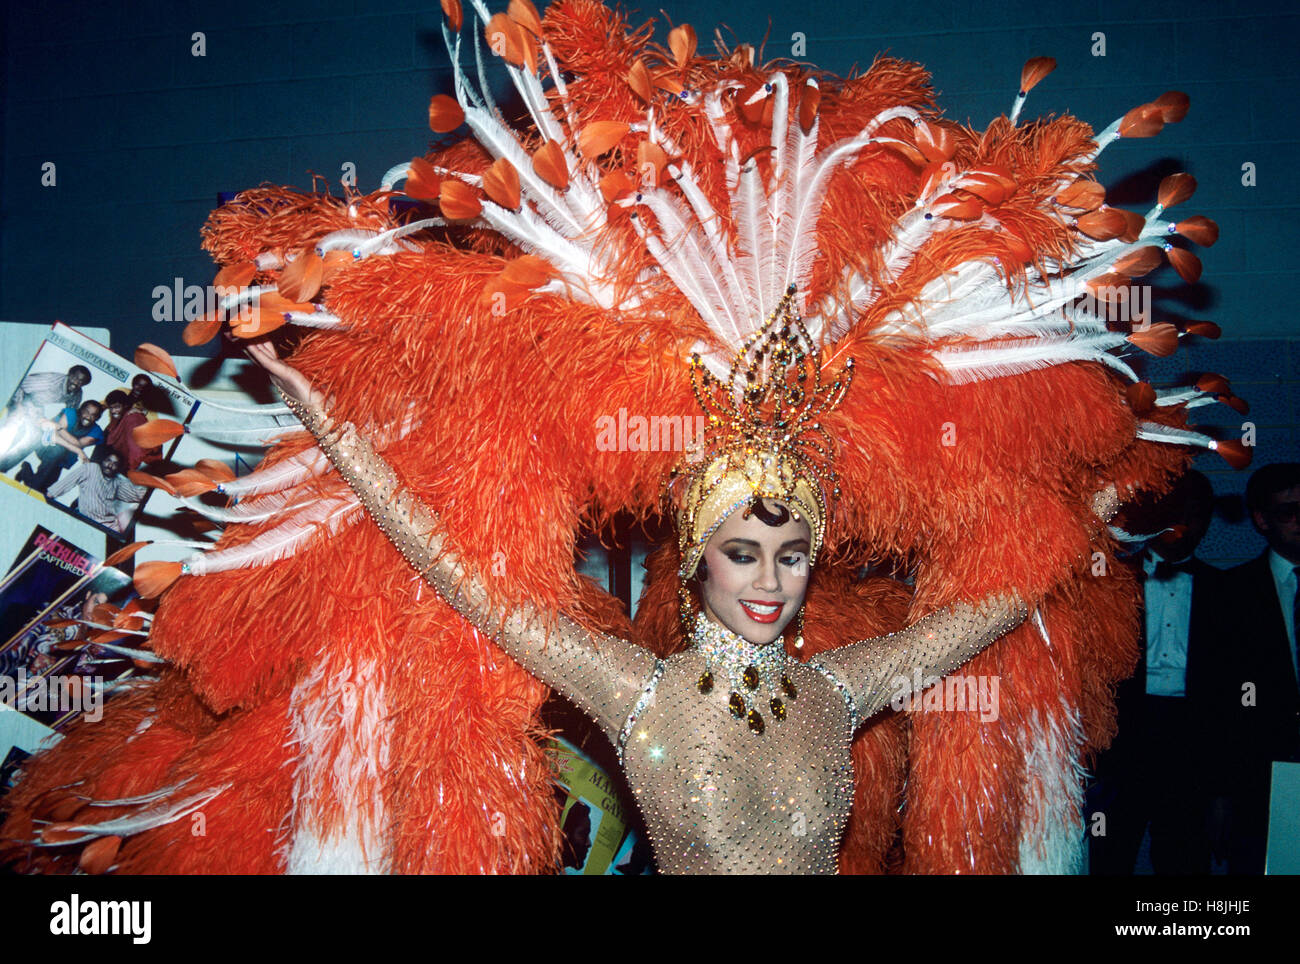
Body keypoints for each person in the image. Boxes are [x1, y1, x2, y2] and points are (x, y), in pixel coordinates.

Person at [0, 0, 1234, 876]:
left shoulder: (841, 684)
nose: (769, 578)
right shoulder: (633, 692)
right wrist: (341, 434)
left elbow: (983, 612)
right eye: (745, 553)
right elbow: (456, 574)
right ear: (698, 555)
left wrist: (1083, 501)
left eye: (789, 554)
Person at [1088, 470, 1221, 874]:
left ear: (1208, 520)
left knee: (1184, 856)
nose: (1181, 524)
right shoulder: (1109, 583)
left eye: (1194, 514)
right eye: (1171, 511)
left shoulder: (1226, 590)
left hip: (1192, 742)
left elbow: (1232, 692)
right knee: (1110, 854)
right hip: (1124, 738)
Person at [1202, 463, 1300, 873]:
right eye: (1287, 513)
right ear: (1261, 519)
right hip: (1260, 777)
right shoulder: (1232, 593)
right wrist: (1221, 792)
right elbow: (1217, 701)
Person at [0, 365, 92, 473]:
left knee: (38, 438)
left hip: (37, 411)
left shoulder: (77, 394)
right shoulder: (52, 380)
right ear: (69, 374)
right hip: (20, 398)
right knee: (17, 425)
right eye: (75, 378)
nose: (77, 383)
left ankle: (3, 468)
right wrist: (18, 406)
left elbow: (69, 413)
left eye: (81, 382)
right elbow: (20, 384)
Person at [45, 448, 147, 534]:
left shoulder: (117, 482)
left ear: (118, 468)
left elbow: (138, 495)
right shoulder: (91, 469)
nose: (110, 465)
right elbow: (66, 482)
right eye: (108, 461)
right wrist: (49, 496)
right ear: (103, 461)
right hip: (84, 522)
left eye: (115, 464)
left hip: (108, 528)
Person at [13, 401, 105, 493]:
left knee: (46, 488)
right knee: (58, 451)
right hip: (46, 445)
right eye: (86, 412)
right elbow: (53, 437)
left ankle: (26, 471)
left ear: (97, 418)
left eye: (94, 415)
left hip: (62, 459)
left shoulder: (96, 431)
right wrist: (78, 450)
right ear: (81, 410)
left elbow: (77, 443)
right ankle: (32, 484)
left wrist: (59, 428)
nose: (88, 417)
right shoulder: (70, 413)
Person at [102, 390, 150, 469]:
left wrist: (130, 472)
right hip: (120, 461)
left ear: (125, 405)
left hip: (129, 466)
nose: (113, 411)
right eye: (111, 408)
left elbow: (137, 450)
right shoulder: (119, 417)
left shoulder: (133, 418)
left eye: (117, 407)